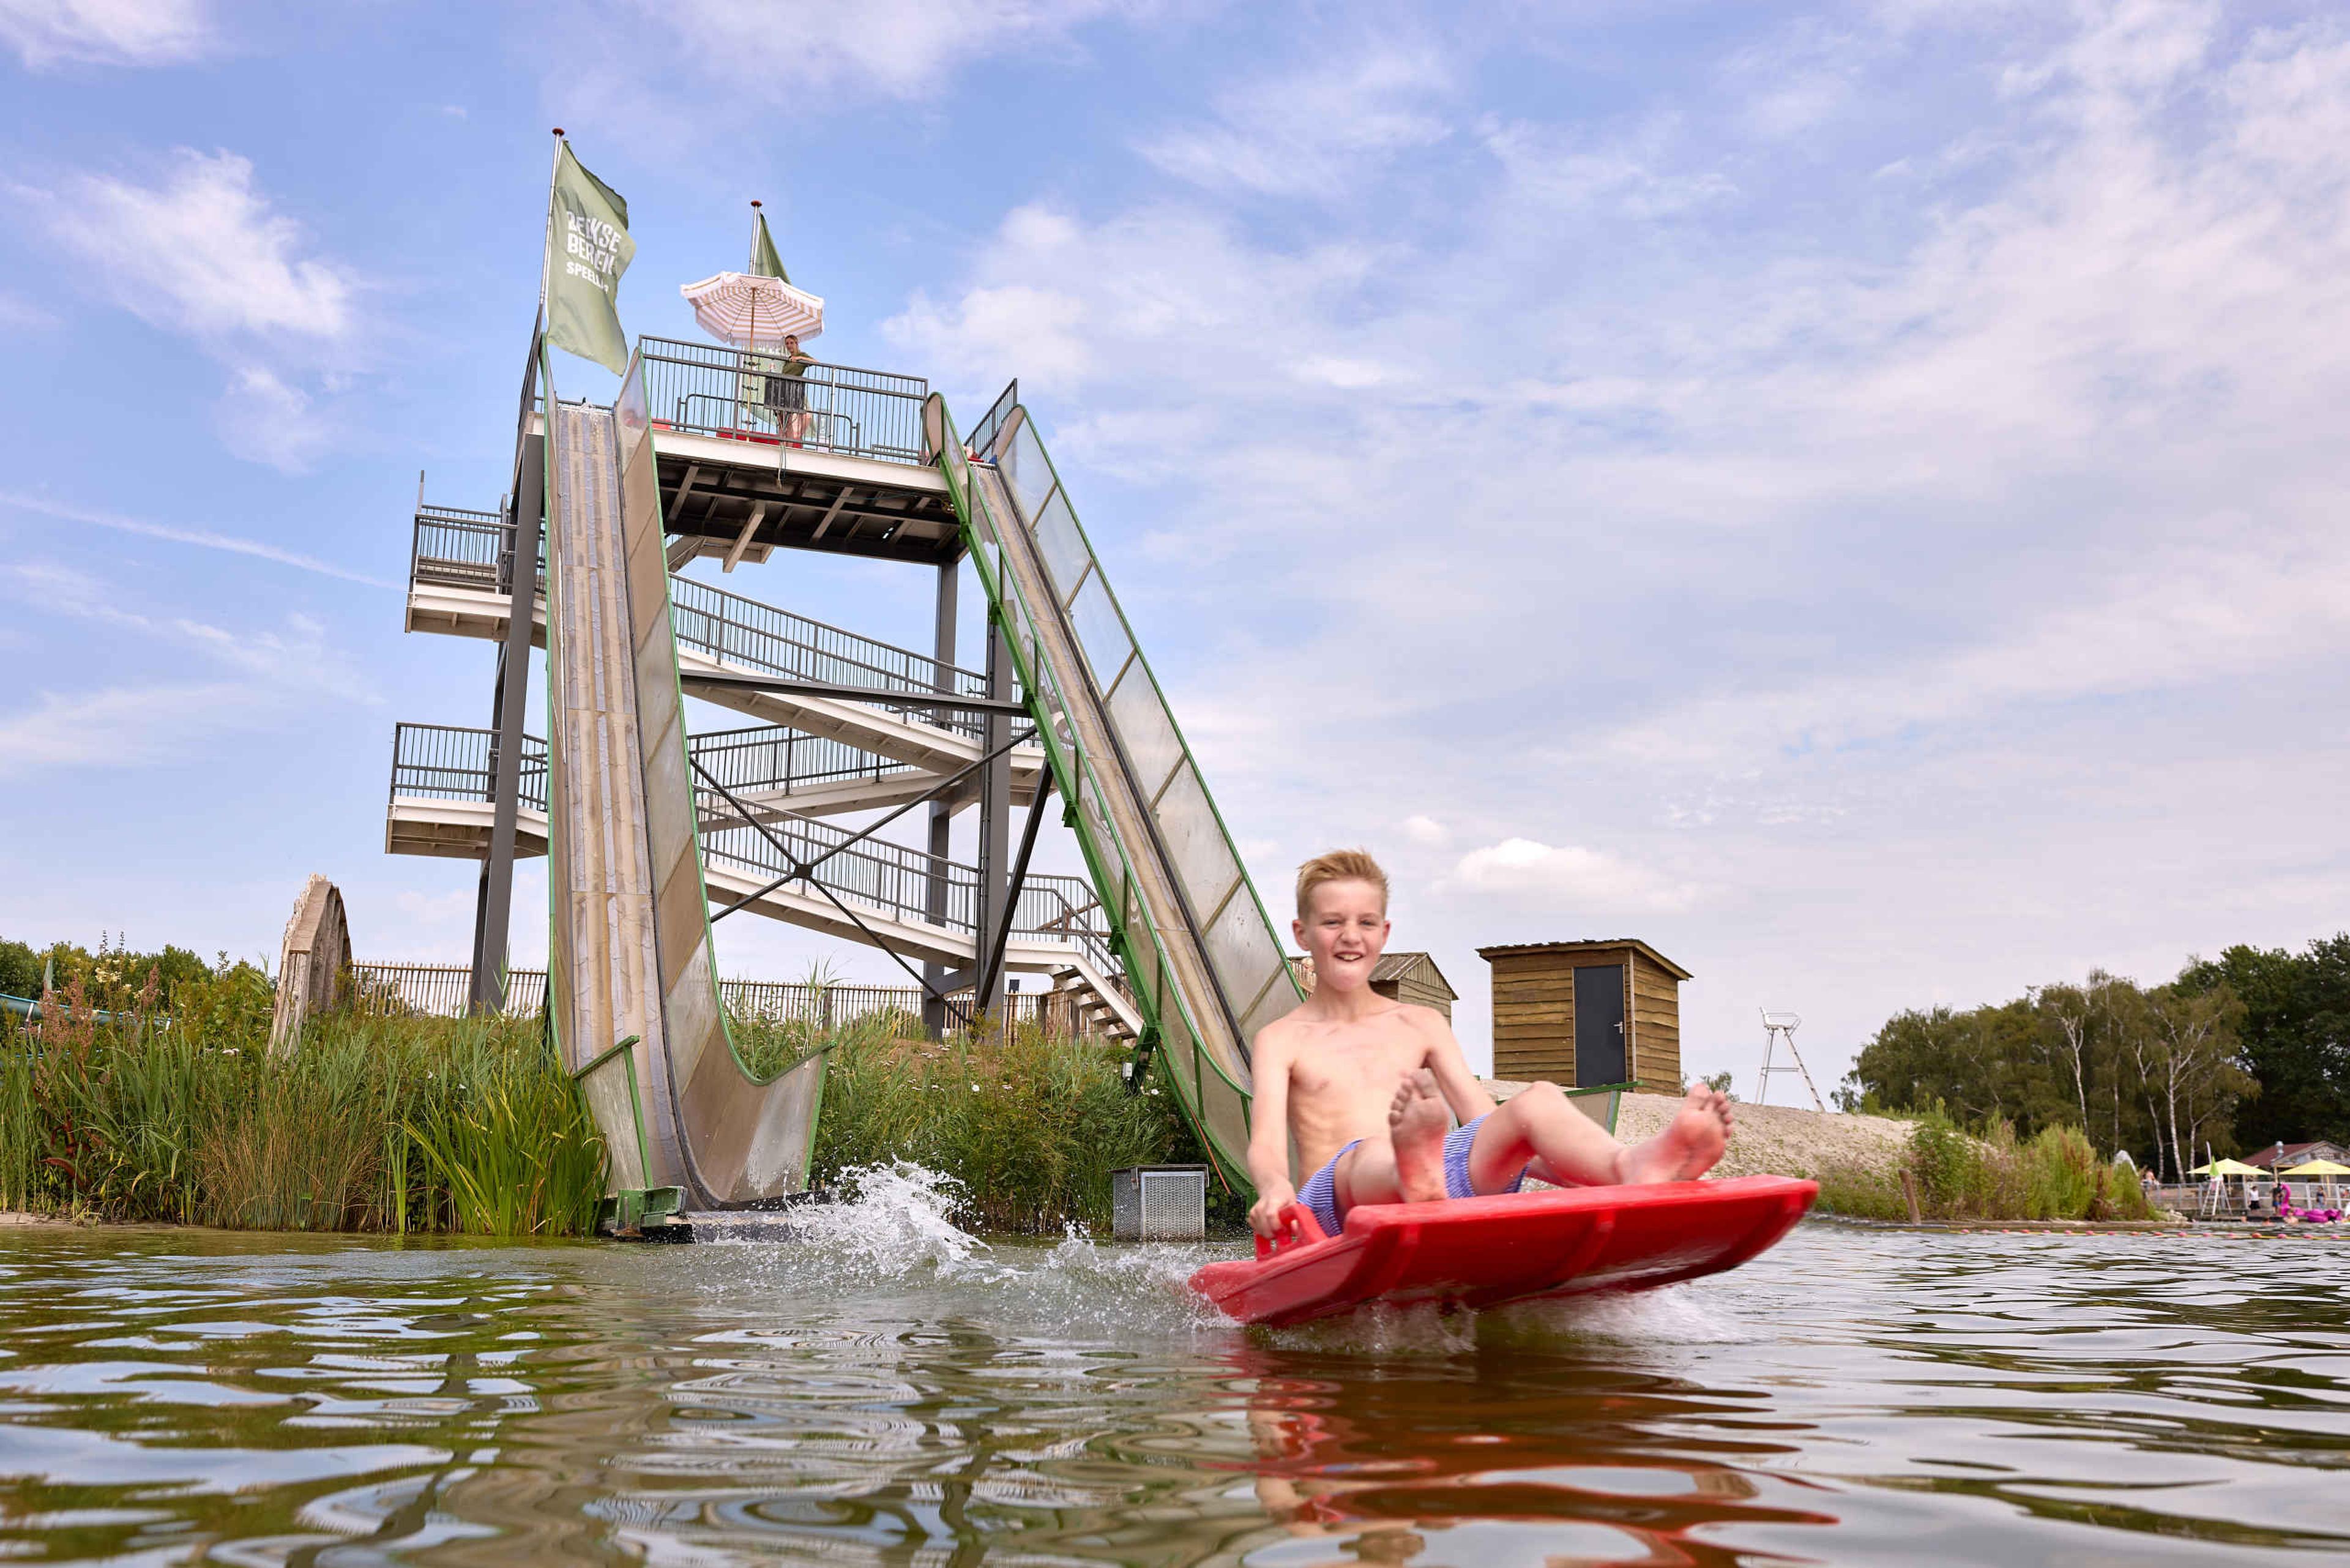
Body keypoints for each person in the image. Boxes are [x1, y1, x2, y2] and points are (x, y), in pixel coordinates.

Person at [1246, 848, 1734, 1240]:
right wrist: (1274, 1190)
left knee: (1538, 1100)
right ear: (1302, 933)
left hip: (1442, 1186)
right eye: (1333, 922)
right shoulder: (1283, 1038)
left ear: (1385, 932)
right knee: (1374, 1151)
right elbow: (1267, 1145)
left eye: (1366, 923)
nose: (1351, 936)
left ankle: (1633, 1165)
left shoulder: (1421, 1022)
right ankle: (1410, 1170)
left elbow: (1481, 1117)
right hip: (1333, 1208)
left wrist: (1556, 1167)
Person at [767, 332, 813, 446]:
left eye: (791, 343)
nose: (789, 346)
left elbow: (815, 362)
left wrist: (800, 358)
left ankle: (789, 447)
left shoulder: (802, 355)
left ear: (797, 343)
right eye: (787, 344)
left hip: (792, 391)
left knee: (789, 421)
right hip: (783, 390)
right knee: (782, 421)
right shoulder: (788, 359)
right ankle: (782, 446)